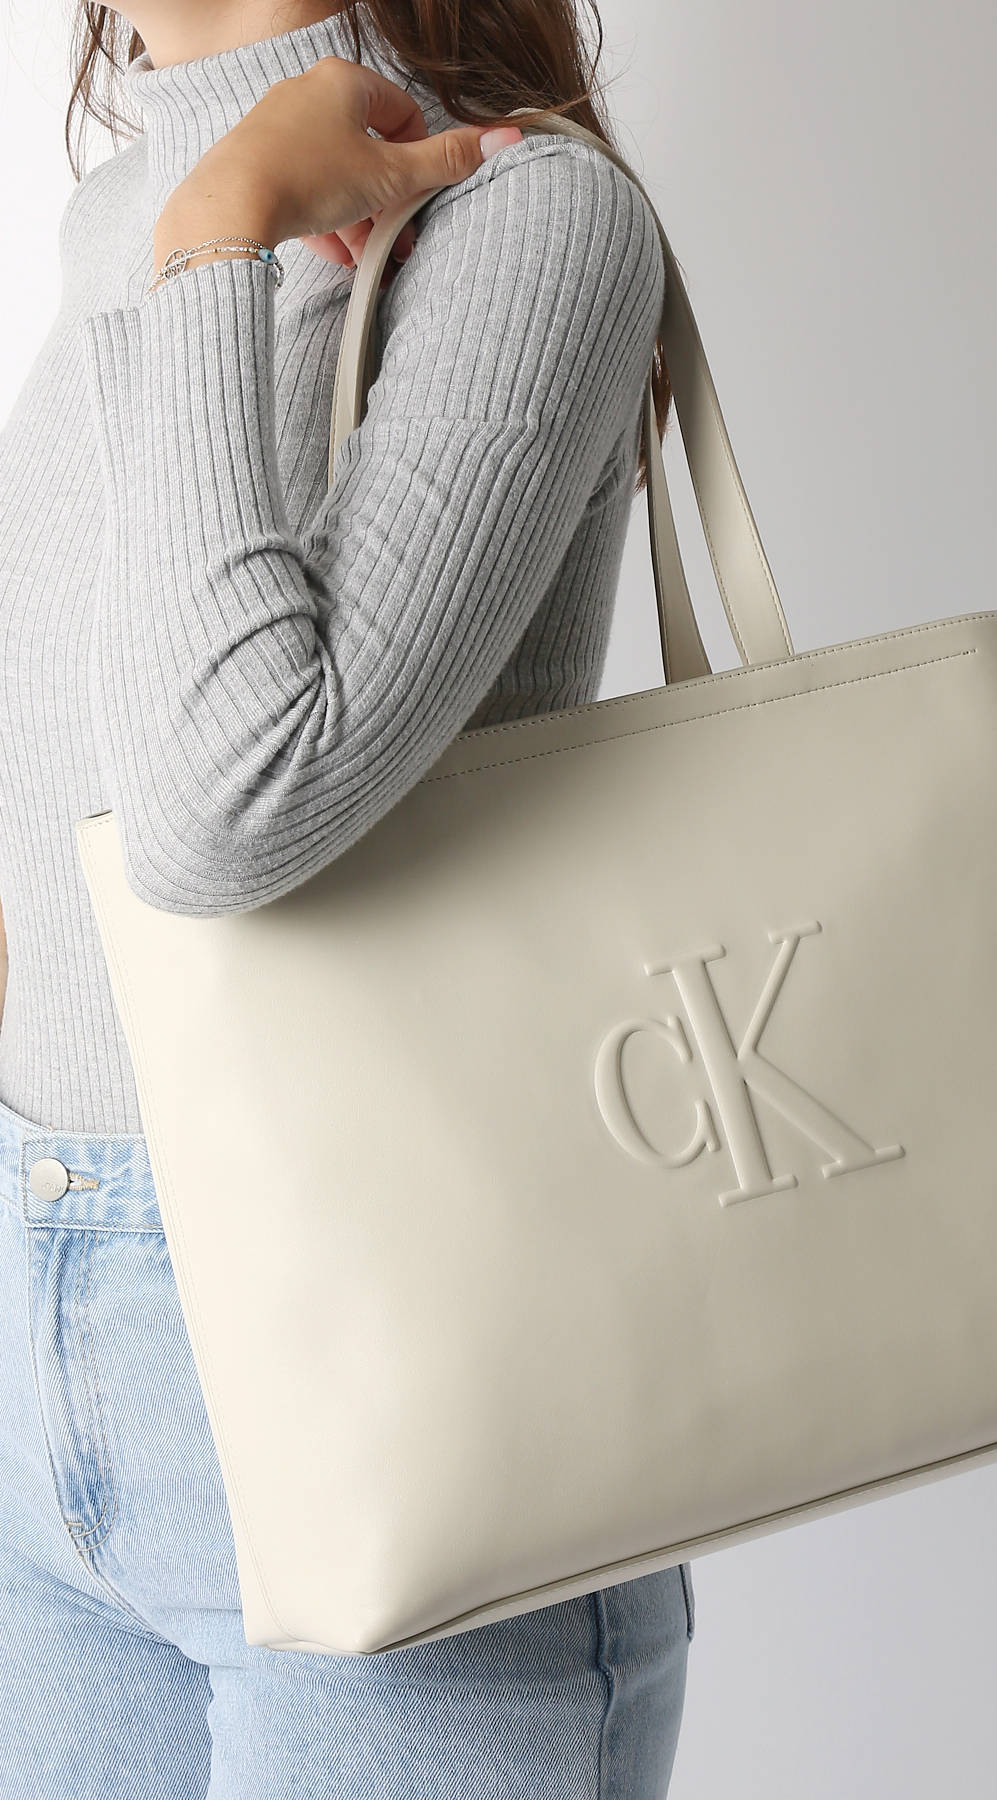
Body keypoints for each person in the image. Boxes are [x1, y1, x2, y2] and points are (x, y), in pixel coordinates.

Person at [0, 2, 693, 1793]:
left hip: (388, 1381)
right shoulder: (119, 215)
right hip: (41, 1379)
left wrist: (217, 246)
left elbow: (223, 810)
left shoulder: (525, 218)